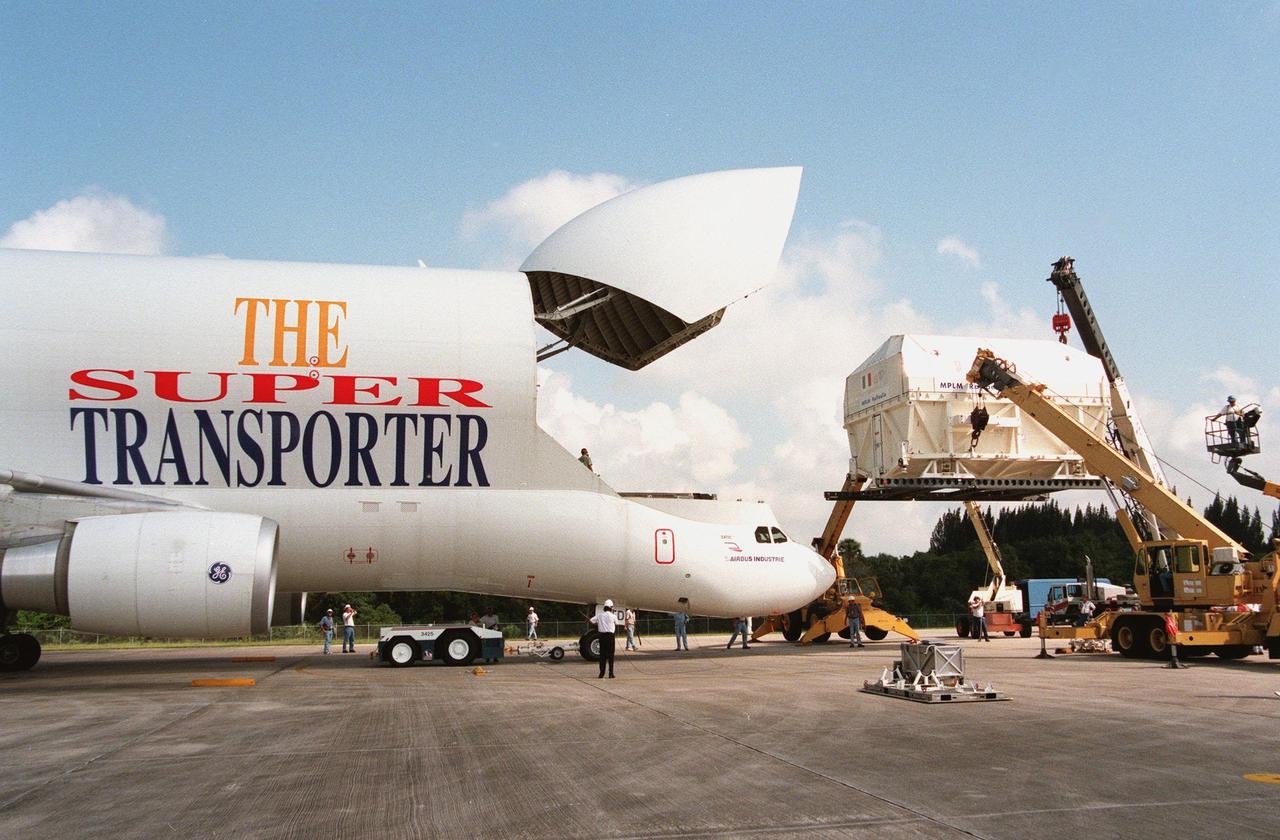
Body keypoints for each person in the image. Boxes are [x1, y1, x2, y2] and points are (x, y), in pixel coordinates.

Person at [588, 600, 617, 678]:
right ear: (611, 608)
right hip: (610, 636)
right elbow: (616, 623)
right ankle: (611, 673)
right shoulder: (613, 616)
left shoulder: (600, 615)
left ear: (604, 607)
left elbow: (590, 620)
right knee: (611, 655)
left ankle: (601, 673)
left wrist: (598, 624)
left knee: (602, 656)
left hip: (602, 636)